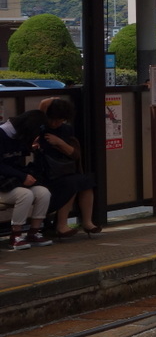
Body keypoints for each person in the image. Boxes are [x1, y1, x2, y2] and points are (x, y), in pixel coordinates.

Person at [33, 97, 100, 238]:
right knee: (71, 183)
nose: (54, 123)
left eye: (59, 120)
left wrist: (59, 142)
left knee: (86, 182)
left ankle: (87, 222)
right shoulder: (41, 127)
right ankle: (61, 225)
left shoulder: (67, 130)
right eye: (52, 119)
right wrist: (56, 99)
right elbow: (43, 105)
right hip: (47, 173)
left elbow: (74, 154)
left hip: (64, 171)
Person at [0, 110, 54, 250]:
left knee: (43, 193)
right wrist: (22, 176)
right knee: (25, 194)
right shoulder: (2, 134)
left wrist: (35, 149)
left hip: (12, 182)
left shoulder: (19, 136)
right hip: (3, 184)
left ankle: (33, 232)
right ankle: (16, 235)